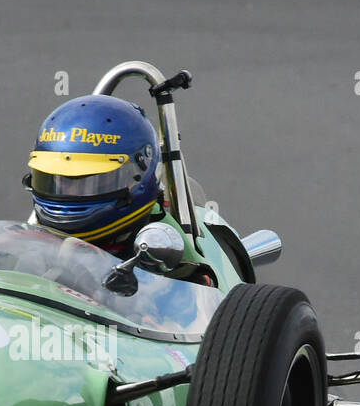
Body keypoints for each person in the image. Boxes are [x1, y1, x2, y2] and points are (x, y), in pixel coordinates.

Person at [23, 95, 216, 286]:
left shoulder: (169, 252)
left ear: (141, 177)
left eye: (93, 181)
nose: (70, 194)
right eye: (57, 181)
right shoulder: (18, 243)